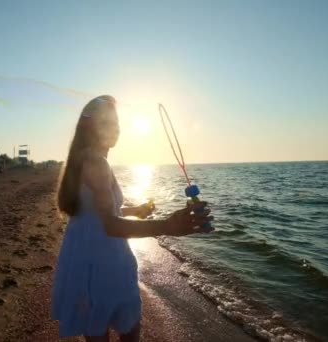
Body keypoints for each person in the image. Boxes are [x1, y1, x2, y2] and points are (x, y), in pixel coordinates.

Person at [52, 95, 213, 342]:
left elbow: (93, 212)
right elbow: (110, 225)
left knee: (96, 328)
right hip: (105, 262)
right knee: (130, 330)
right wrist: (167, 226)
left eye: (117, 122)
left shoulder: (82, 160)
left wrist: (134, 211)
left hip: (82, 258)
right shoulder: (97, 163)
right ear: (91, 126)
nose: (116, 128)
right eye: (107, 122)